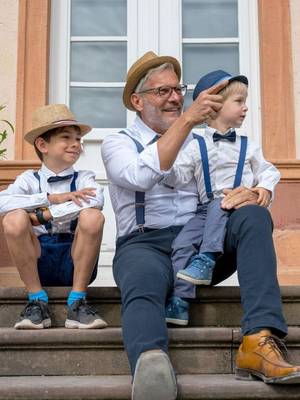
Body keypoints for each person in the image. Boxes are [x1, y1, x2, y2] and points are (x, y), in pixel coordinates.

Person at [101, 51, 300, 400]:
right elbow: (141, 176)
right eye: (163, 91)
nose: (176, 97)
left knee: (253, 214)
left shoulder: (206, 140)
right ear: (137, 101)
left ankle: (259, 340)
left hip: (203, 245)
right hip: (146, 245)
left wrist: (252, 191)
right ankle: (152, 368)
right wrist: (187, 122)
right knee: (144, 280)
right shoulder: (118, 143)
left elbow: (245, 173)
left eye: (178, 89)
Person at [164, 70, 281, 326]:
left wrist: (263, 189)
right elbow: (177, 175)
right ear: (215, 105)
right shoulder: (194, 144)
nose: (245, 107)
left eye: (244, 101)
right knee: (182, 243)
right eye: (239, 102)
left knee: (222, 201)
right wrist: (163, 168)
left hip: (236, 210)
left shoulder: (249, 145)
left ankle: (206, 258)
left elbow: (269, 171)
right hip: (205, 210)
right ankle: (180, 299)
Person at [0, 104, 107, 330]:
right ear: (42, 145)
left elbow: (95, 200)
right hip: (38, 261)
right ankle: (36, 301)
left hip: (75, 259)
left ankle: (77, 303)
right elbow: (2, 202)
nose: (76, 143)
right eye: (66, 137)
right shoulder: (28, 180)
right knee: (13, 218)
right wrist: (50, 198)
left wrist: (41, 216)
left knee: (92, 216)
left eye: (78, 139)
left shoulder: (85, 177)